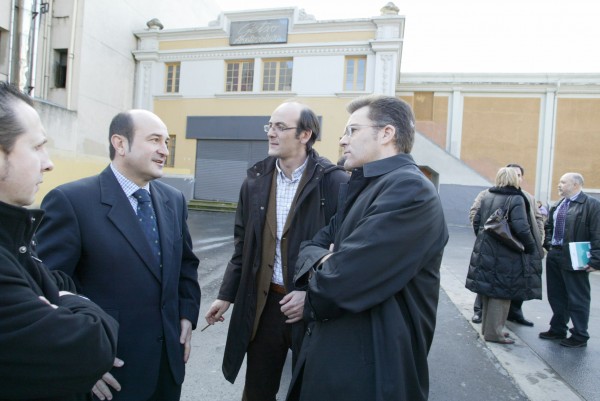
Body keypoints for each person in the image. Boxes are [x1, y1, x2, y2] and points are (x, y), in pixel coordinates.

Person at [286, 95, 448, 401]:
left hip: (373, 374)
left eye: (352, 131)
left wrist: (330, 263)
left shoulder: (409, 191)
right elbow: (310, 246)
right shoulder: (364, 188)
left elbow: (342, 280)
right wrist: (328, 258)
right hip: (341, 363)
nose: (342, 140)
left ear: (386, 134)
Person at [36, 109, 201, 400]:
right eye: (154, 140)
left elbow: (185, 265)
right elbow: (49, 289)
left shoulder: (173, 200)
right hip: (109, 372)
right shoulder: (71, 201)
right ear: (120, 144)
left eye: (167, 142)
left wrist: (187, 314)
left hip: (167, 369)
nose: (164, 150)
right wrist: (77, 358)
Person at [204, 101, 348, 401]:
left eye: (280, 126)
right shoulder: (256, 179)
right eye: (269, 125)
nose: (271, 132)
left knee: (309, 389)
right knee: (258, 389)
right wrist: (226, 295)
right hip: (266, 303)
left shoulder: (333, 182)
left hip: (312, 309)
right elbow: (243, 245)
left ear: (305, 134)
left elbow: (346, 253)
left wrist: (313, 295)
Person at [0, 81, 118, 400]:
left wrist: (59, 298)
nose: (48, 162)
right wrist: (75, 303)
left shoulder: (14, 234)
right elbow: (90, 346)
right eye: (37, 146)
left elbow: (56, 279)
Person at [466, 167, 542, 344]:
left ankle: (489, 329)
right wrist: (531, 247)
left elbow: (477, 221)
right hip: (507, 254)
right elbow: (522, 227)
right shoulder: (515, 198)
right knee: (501, 294)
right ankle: (495, 333)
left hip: (486, 250)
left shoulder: (488, 195)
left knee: (488, 291)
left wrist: (485, 240)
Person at [539, 173, 600, 348]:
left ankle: (580, 335)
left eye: (563, 182)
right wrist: (549, 244)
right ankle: (558, 328)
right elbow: (549, 226)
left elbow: (597, 232)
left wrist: (596, 259)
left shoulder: (591, 205)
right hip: (555, 254)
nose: (559, 185)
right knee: (556, 295)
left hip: (576, 257)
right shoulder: (559, 204)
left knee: (577, 297)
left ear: (575, 184)